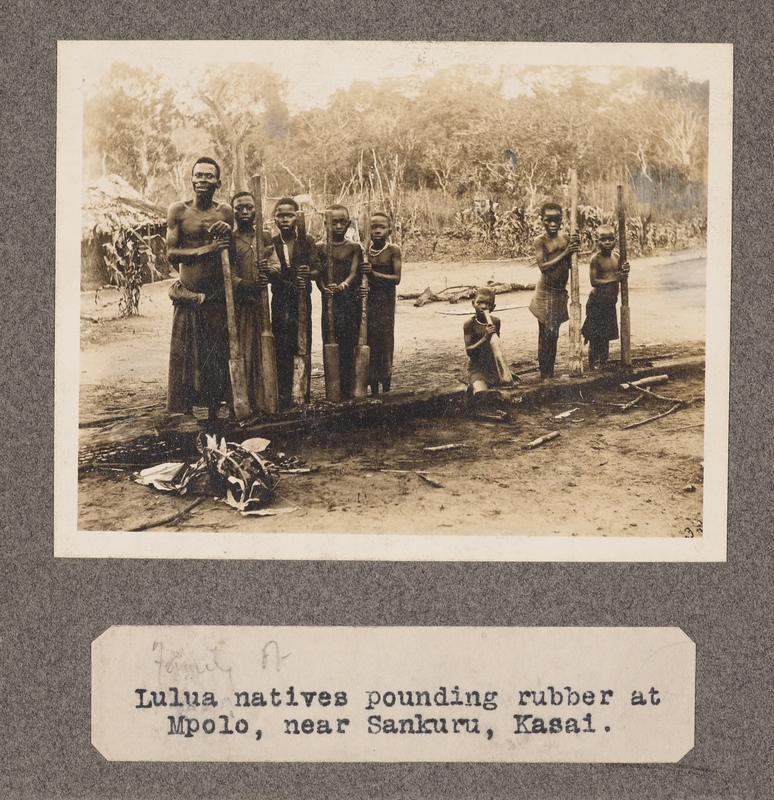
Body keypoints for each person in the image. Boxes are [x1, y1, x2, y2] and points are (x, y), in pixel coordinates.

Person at [166, 157, 234, 417]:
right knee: (187, 353)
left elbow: (234, 246)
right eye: (199, 175)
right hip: (190, 294)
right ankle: (188, 411)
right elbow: (171, 253)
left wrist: (227, 230)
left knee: (217, 351)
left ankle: (217, 407)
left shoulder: (225, 211)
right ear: (192, 179)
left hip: (218, 295)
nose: (203, 181)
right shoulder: (178, 211)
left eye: (209, 176)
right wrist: (207, 249)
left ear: (218, 182)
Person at [230, 191, 280, 410]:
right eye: (239, 207)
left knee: (262, 348)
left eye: (249, 207)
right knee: (241, 349)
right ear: (232, 211)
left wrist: (267, 270)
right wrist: (245, 283)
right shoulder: (230, 239)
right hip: (239, 305)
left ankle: (264, 401)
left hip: (261, 304)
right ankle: (241, 402)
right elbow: (227, 275)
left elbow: (276, 266)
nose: (244, 212)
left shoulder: (265, 236)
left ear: (256, 211)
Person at [269, 197, 319, 409]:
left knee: (302, 341)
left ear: (297, 217)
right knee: (281, 344)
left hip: (301, 300)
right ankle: (282, 395)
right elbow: (270, 273)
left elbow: (318, 269)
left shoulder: (307, 242)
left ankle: (302, 392)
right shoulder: (271, 243)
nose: (285, 219)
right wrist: (286, 283)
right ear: (275, 219)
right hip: (280, 300)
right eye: (281, 215)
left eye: (290, 215)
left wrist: (309, 273)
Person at [317, 204, 361, 398]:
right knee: (330, 339)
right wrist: (323, 287)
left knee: (348, 340)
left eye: (343, 222)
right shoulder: (320, 248)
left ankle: (348, 387)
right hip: (329, 302)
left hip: (348, 301)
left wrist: (342, 286)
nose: (338, 226)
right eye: (334, 222)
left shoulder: (354, 247)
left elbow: (353, 272)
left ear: (349, 224)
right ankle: (333, 388)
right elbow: (318, 272)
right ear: (326, 224)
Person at [361, 211, 402, 395]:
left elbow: (396, 278)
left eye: (382, 227)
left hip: (385, 304)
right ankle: (373, 387)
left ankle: (386, 386)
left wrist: (373, 274)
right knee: (370, 340)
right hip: (368, 303)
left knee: (385, 342)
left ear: (390, 230)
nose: (377, 231)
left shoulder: (393, 250)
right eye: (374, 227)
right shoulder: (365, 250)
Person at [581, 224, 630, 369]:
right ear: (597, 242)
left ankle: (603, 362)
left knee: (606, 335)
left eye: (610, 239)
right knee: (596, 336)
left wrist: (626, 270)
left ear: (615, 240)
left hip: (610, 304)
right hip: (596, 303)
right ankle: (592, 362)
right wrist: (616, 278)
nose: (607, 242)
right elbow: (594, 281)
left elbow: (623, 274)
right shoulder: (595, 259)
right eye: (603, 239)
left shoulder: (618, 257)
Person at [463, 287, 502, 395]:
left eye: (488, 304)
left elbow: (496, 349)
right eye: (479, 303)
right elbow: (469, 351)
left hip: (492, 368)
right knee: (483, 394)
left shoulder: (496, 322)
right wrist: (485, 338)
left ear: (493, 307)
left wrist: (504, 369)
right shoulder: (469, 324)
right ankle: (474, 387)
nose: (484, 307)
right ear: (473, 303)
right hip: (477, 368)